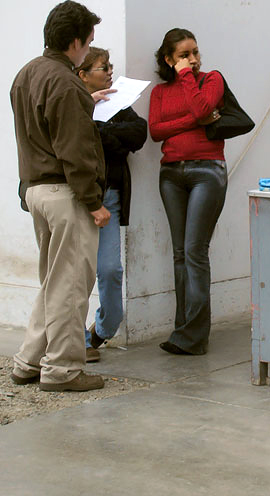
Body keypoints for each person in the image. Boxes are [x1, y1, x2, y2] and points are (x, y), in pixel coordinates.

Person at [10, 1, 110, 392]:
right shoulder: (67, 82)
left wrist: (87, 102)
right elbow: (74, 150)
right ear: (75, 41)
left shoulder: (27, 73)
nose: (88, 50)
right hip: (66, 193)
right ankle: (63, 370)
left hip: (35, 190)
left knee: (54, 282)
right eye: (88, 43)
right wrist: (94, 202)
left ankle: (29, 361)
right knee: (70, 285)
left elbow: (40, 130)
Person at [149, 28, 227, 356]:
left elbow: (200, 108)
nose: (192, 60)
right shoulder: (159, 93)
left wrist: (187, 80)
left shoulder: (211, 80)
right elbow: (155, 131)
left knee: (195, 251)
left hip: (207, 172)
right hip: (170, 174)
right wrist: (194, 121)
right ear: (168, 59)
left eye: (195, 52)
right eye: (183, 55)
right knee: (179, 254)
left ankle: (194, 337)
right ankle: (183, 329)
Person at [76, 47, 147, 362]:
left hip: (111, 196)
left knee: (110, 269)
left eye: (110, 66)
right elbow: (78, 142)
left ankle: (101, 331)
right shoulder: (74, 104)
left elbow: (138, 133)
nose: (109, 72)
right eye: (103, 68)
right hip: (79, 198)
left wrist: (103, 132)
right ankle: (76, 341)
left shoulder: (117, 103)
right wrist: (108, 137)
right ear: (83, 75)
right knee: (76, 272)